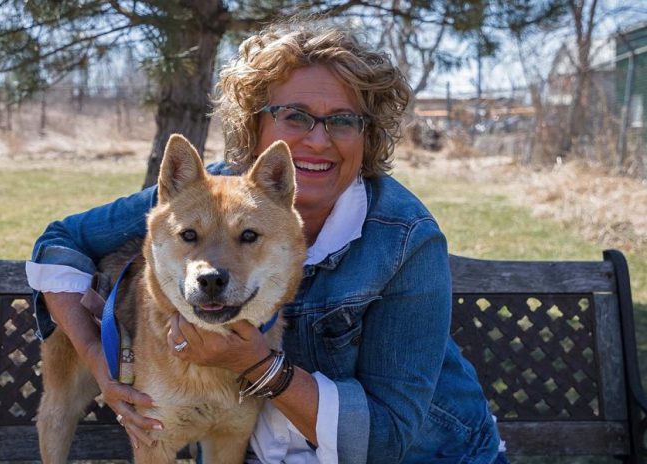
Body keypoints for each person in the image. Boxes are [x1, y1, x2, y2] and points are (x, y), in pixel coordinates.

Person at [27, 19, 508, 464]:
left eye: (342, 120)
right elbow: (61, 240)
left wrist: (258, 365)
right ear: (255, 125)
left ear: (369, 134)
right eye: (294, 116)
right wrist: (100, 362)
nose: (318, 141)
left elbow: (385, 437)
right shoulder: (206, 195)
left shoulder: (405, 239)